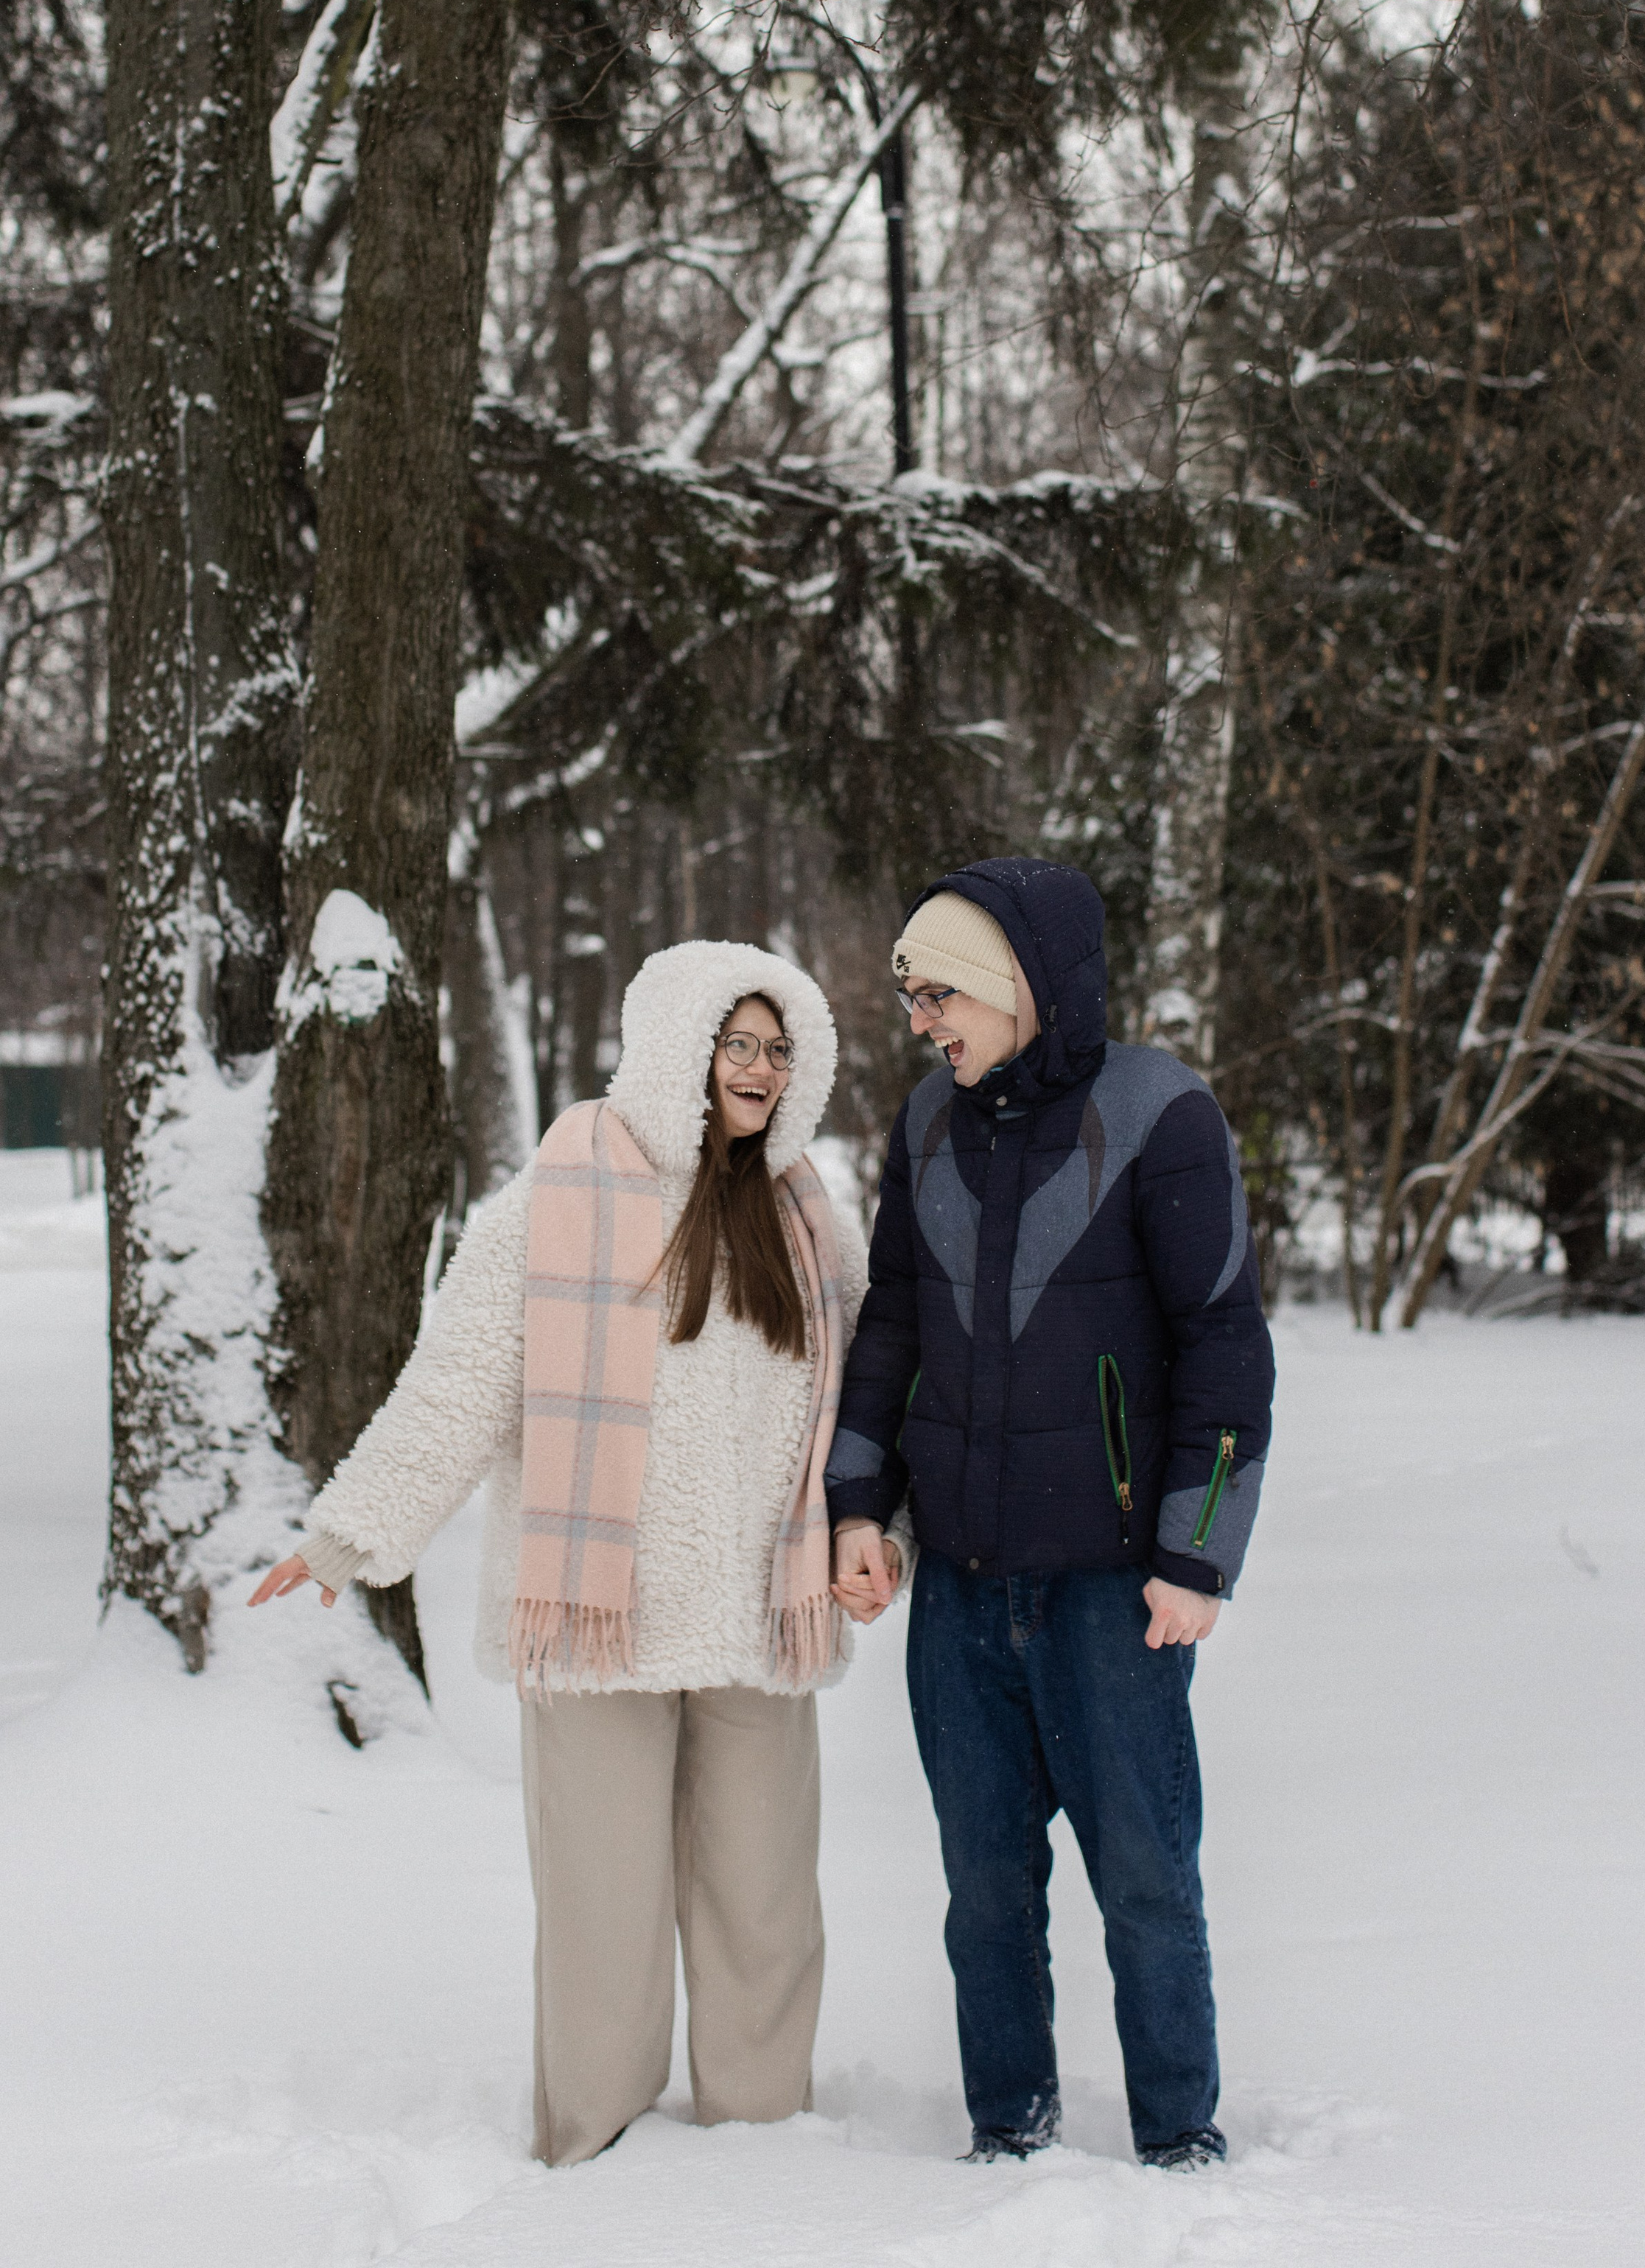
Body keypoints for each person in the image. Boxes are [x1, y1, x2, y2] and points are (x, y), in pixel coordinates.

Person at [251, 941, 905, 2166]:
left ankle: (765, 2156)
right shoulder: (553, 1200)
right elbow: (458, 1387)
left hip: (760, 1614)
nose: (759, 1068)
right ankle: (593, 2154)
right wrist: (350, 1532)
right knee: (602, 1916)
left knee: (763, 1909)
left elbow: (868, 1399)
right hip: (602, 1615)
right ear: (677, 1045)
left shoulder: (807, 1216)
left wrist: (889, 1536)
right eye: (737, 1042)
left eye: (777, 1047)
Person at [825, 859, 1274, 2173]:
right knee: (985, 1893)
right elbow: (891, 1329)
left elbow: (1224, 1347)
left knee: (1143, 1875)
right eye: (913, 997)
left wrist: (1197, 1554)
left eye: (941, 992)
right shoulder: (924, 1126)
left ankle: (1178, 2132)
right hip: (961, 1581)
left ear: (1020, 984)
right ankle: (1006, 2127)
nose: (924, 1019)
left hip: (1112, 1586)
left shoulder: (1159, 1112)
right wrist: (861, 1504)